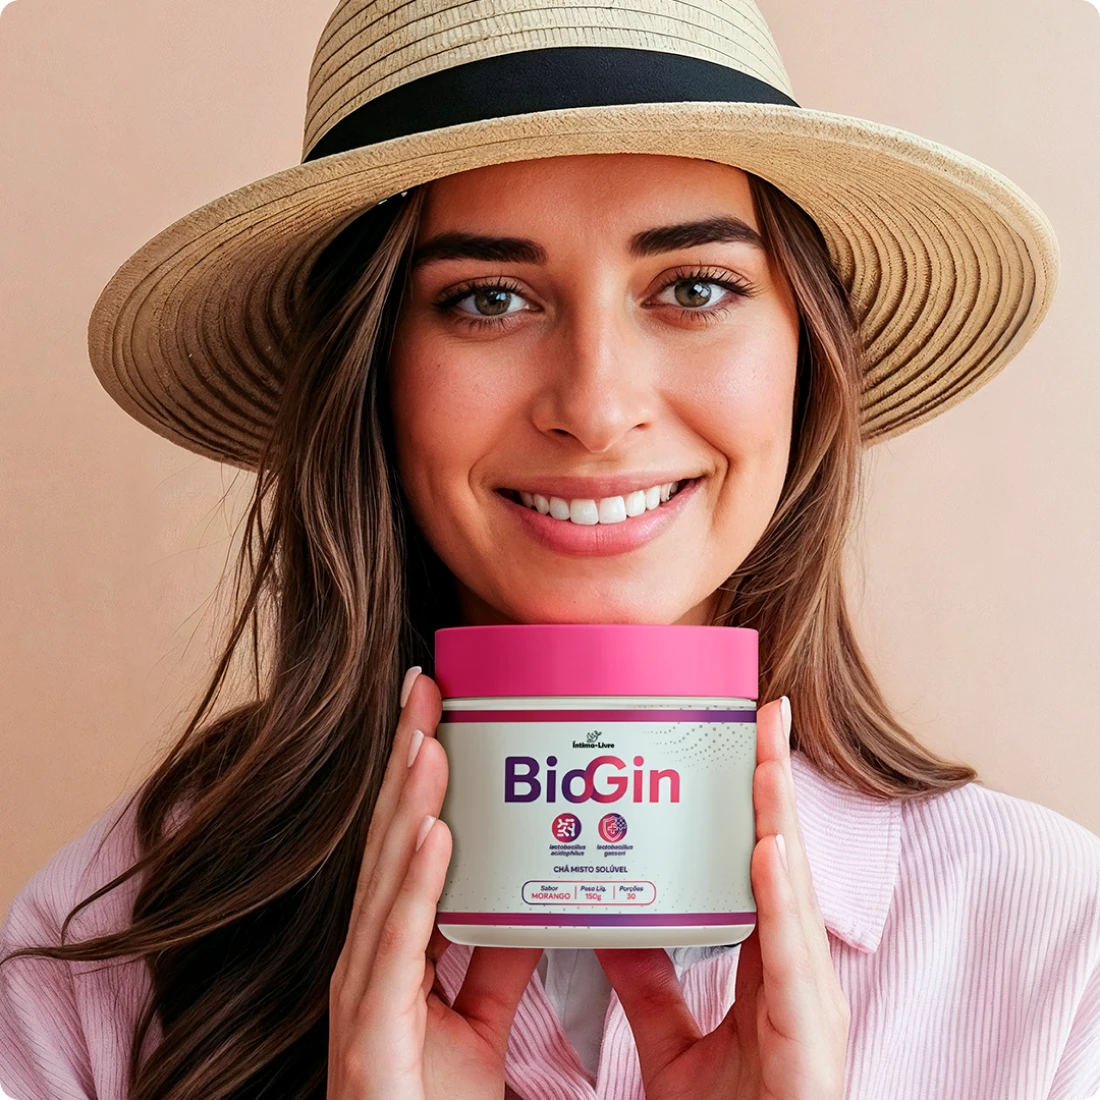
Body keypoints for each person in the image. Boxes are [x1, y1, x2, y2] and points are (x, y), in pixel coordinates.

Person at [2, 1, 1098, 1098]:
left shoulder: (1055, 947)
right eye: (488, 298)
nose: (596, 407)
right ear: (369, 373)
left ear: (806, 354)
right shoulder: (111, 946)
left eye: (695, 288)